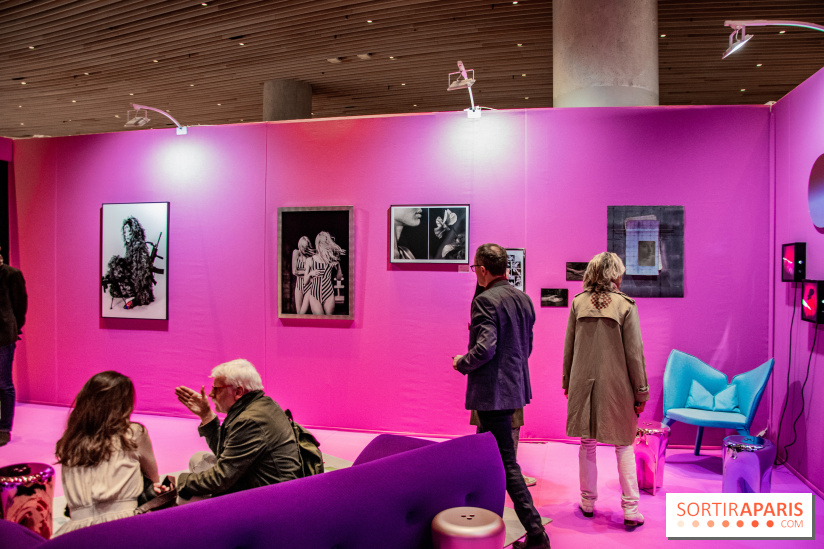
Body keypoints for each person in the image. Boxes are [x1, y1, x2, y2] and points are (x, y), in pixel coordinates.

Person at [453, 243, 550, 549]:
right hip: (514, 388)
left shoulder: (485, 301)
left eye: (474, 269)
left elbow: (485, 348)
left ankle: (536, 534)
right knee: (487, 461)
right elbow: (526, 348)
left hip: (493, 393)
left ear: (482, 269)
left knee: (506, 464)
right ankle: (485, 521)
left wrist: (461, 363)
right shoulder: (523, 299)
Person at [562, 252, 649, 528]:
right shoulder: (626, 306)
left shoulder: (578, 303)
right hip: (618, 387)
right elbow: (635, 354)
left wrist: (567, 382)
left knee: (587, 443)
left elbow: (569, 348)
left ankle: (587, 502)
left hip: (582, 383)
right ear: (614, 275)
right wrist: (641, 392)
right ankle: (631, 510)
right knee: (623, 445)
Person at [174, 359, 301, 500]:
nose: (210, 394)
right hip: (270, 484)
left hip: (270, 499)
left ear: (238, 391)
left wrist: (179, 483)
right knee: (198, 459)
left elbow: (221, 479)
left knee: (184, 496)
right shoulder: (262, 405)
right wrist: (206, 415)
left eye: (216, 389)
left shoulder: (249, 421)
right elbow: (223, 452)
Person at [54, 371, 162, 536]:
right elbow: (154, 479)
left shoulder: (69, 442)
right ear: (124, 404)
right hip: (125, 527)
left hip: (74, 533)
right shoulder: (133, 433)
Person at [0, 246, 27, 447]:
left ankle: (4, 428)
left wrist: (14, 326)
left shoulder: (11, 274)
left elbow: (20, 305)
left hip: (3, 334)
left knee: (4, 383)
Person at [101, 216, 158, 309]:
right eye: (124, 232)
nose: (126, 235)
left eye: (129, 232)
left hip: (137, 286)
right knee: (116, 264)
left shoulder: (139, 249)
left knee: (117, 265)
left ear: (134, 233)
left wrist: (140, 298)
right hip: (132, 280)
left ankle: (133, 297)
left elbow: (141, 276)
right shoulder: (130, 248)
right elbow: (128, 264)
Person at [304, 231, 346, 315]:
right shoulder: (310, 260)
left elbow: (339, 278)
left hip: (329, 293)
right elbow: (305, 282)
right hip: (314, 295)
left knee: (329, 321)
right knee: (319, 321)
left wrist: (338, 264)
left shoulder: (331, 260)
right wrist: (310, 274)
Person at [291, 236, 314, 314]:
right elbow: (294, 271)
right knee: (299, 312)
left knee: (303, 312)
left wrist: (300, 272)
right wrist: (307, 274)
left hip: (309, 286)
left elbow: (313, 272)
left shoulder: (310, 256)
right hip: (299, 286)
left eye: (306, 247)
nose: (304, 249)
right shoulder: (296, 252)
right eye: (303, 246)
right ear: (300, 245)